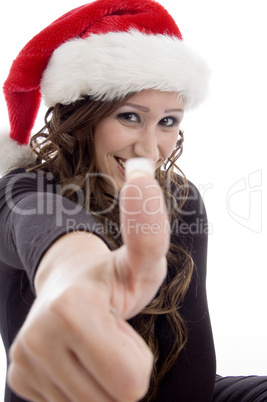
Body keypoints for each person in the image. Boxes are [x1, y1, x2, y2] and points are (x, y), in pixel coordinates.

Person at [0, 1, 266, 401]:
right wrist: (75, 275)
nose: (149, 148)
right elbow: (49, 233)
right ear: (83, 115)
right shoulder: (22, 190)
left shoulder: (180, 198)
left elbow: (190, 373)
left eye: (168, 121)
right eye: (129, 116)